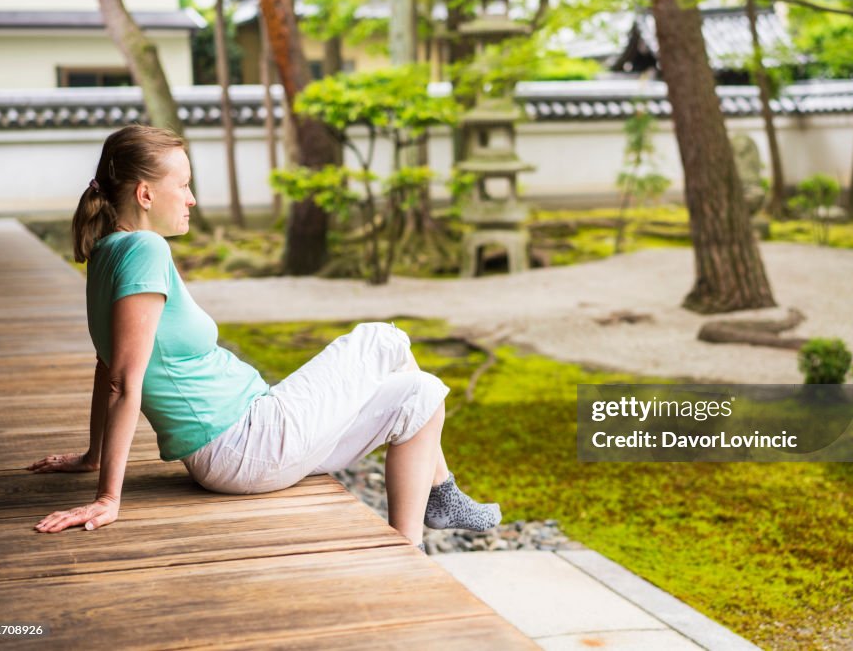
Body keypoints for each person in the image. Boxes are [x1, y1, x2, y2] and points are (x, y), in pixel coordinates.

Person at [28, 125, 500, 551]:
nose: (191, 198)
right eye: (184, 185)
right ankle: (446, 494)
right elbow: (123, 381)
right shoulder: (144, 249)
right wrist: (109, 497)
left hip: (246, 442)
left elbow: (105, 365)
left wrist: (93, 457)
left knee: (420, 394)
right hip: (244, 444)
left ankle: (409, 545)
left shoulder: (107, 252)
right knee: (383, 339)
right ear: (146, 194)